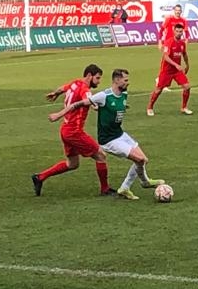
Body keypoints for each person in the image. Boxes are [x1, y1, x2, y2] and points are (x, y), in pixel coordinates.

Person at [50, 69, 166, 201]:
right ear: (117, 80)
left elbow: (116, 106)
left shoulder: (124, 94)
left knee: (143, 159)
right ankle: (132, 185)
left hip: (120, 134)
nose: (128, 83)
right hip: (109, 140)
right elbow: (77, 104)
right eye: (125, 80)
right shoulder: (103, 96)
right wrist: (58, 115)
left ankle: (136, 184)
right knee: (139, 160)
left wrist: (120, 107)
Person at [32, 64, 113, 197]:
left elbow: (62, 88)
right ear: (89, 75)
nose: (98, 82)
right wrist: (100, 107)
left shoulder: (75, 83)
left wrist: (55, 93)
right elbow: (90, 102)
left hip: (65, 130)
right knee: (101, 156)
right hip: (74, 132)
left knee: (72, 164)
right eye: (97, 78)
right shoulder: (84, 89)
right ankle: (105, 189)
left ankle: (40, 177)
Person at [147, 23, 192, 116]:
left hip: (176, 71)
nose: (179, 33)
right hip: (167, 71)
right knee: (159, 89)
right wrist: (176, 65)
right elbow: (165, 56)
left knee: (187, 86)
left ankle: (184, 107)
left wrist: (187, 65)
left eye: (181, 31)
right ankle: (150, 107)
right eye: (177, 31)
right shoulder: (169, 42)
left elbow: (184, 54)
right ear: (174, 31)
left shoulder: (182, 43)